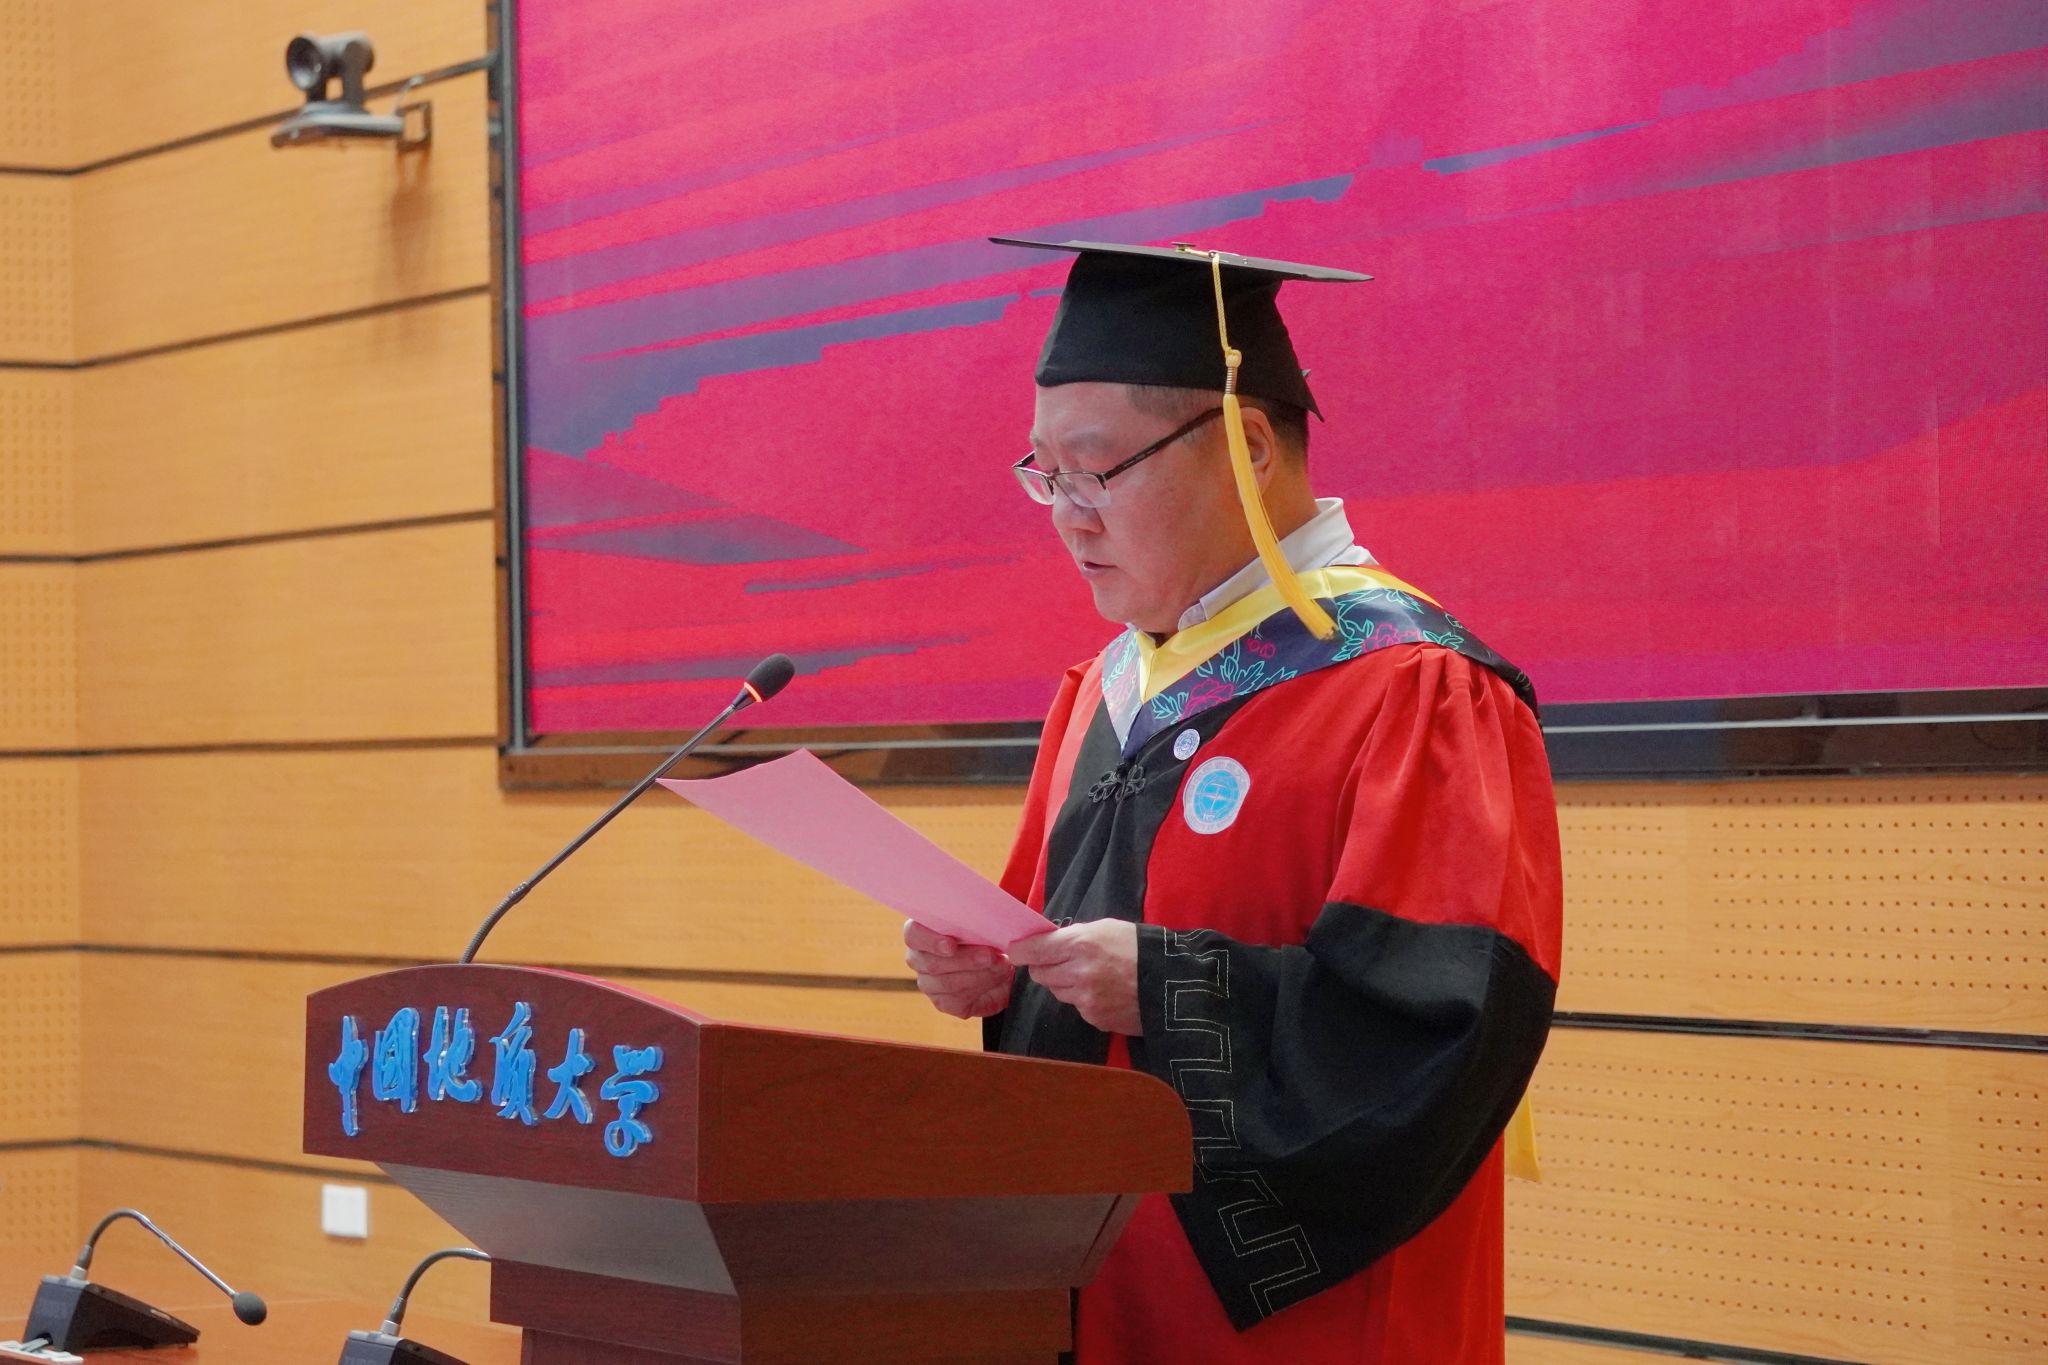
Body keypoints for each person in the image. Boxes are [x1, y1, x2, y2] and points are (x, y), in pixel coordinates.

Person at [904, 238, 1562, 1364]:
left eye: (1096, 470)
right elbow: (1053, 955)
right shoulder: (1104, 689)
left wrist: (1168, 988)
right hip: (1089, 1277)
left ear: (1249, 447)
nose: (1067, 515)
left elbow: (1444, 1030)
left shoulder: (1413, 687)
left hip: (1302, 1314)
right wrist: (989, 972)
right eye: (1044, 474)